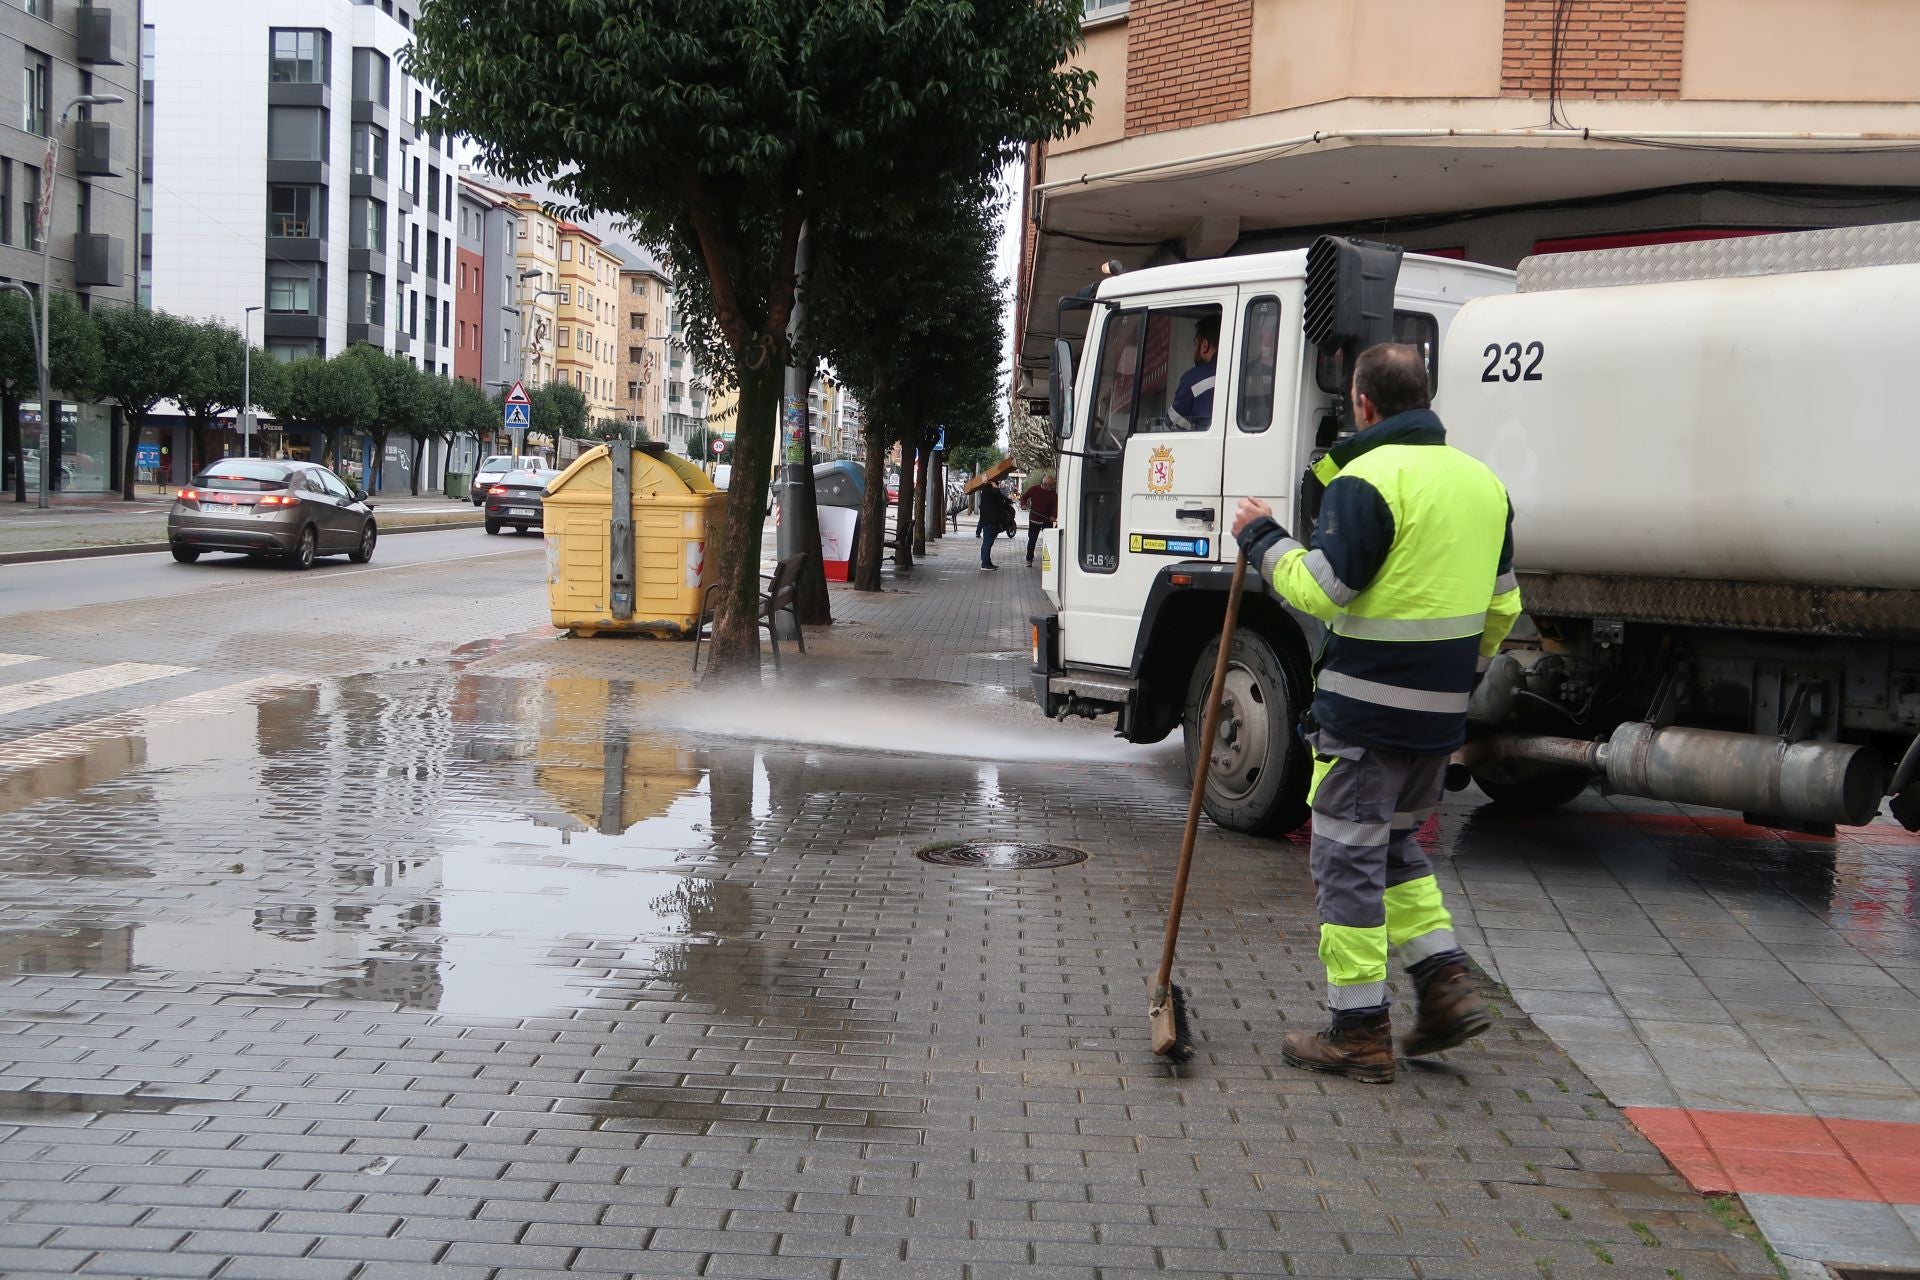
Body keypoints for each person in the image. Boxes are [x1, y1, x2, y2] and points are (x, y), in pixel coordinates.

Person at [1230, 343, 1521, 1084]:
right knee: (1395, 853)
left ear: (1363, 403)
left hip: (1365, 721)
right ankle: (1444, 987)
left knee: (1346, 865)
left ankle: (1358, 1033)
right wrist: (1461, 677)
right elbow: (1503, 605)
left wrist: (1262, 538)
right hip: (1436, 724)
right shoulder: (1484, 484)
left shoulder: (1368, 480)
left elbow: (1323, 591)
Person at [1169, 316, 1219, 430]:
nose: (1193, 350)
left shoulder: (1192, 379)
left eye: (1195, 344)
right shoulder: (1246, 376)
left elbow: (1172, 427)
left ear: (1205, 345)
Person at [1018, 473, 1057, 566]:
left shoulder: (1053, 494)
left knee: (1049, 540)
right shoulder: (1034, 489)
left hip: (1047, 520)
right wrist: (1023, 504)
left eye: (1052, 486)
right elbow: (1024, 497)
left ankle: (1048, 560)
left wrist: (1054, 516)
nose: (1051, 487)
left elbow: (1055, 506)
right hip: (1034, 519)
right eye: (1050, 486)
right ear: (1044, 484)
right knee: (1032, 540)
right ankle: (1029, 559)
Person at [976, 478, 1015, 571]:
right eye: (996, 483)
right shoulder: (988, 490)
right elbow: (997, 494)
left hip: (992, 522)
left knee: (989, 543)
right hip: (989, 522)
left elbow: (1000, 497)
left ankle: (987, 562)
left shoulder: (990, 491)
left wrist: (1009, 501)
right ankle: (985, 564)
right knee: (987, 542)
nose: (997, 484)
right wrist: (994, 484)